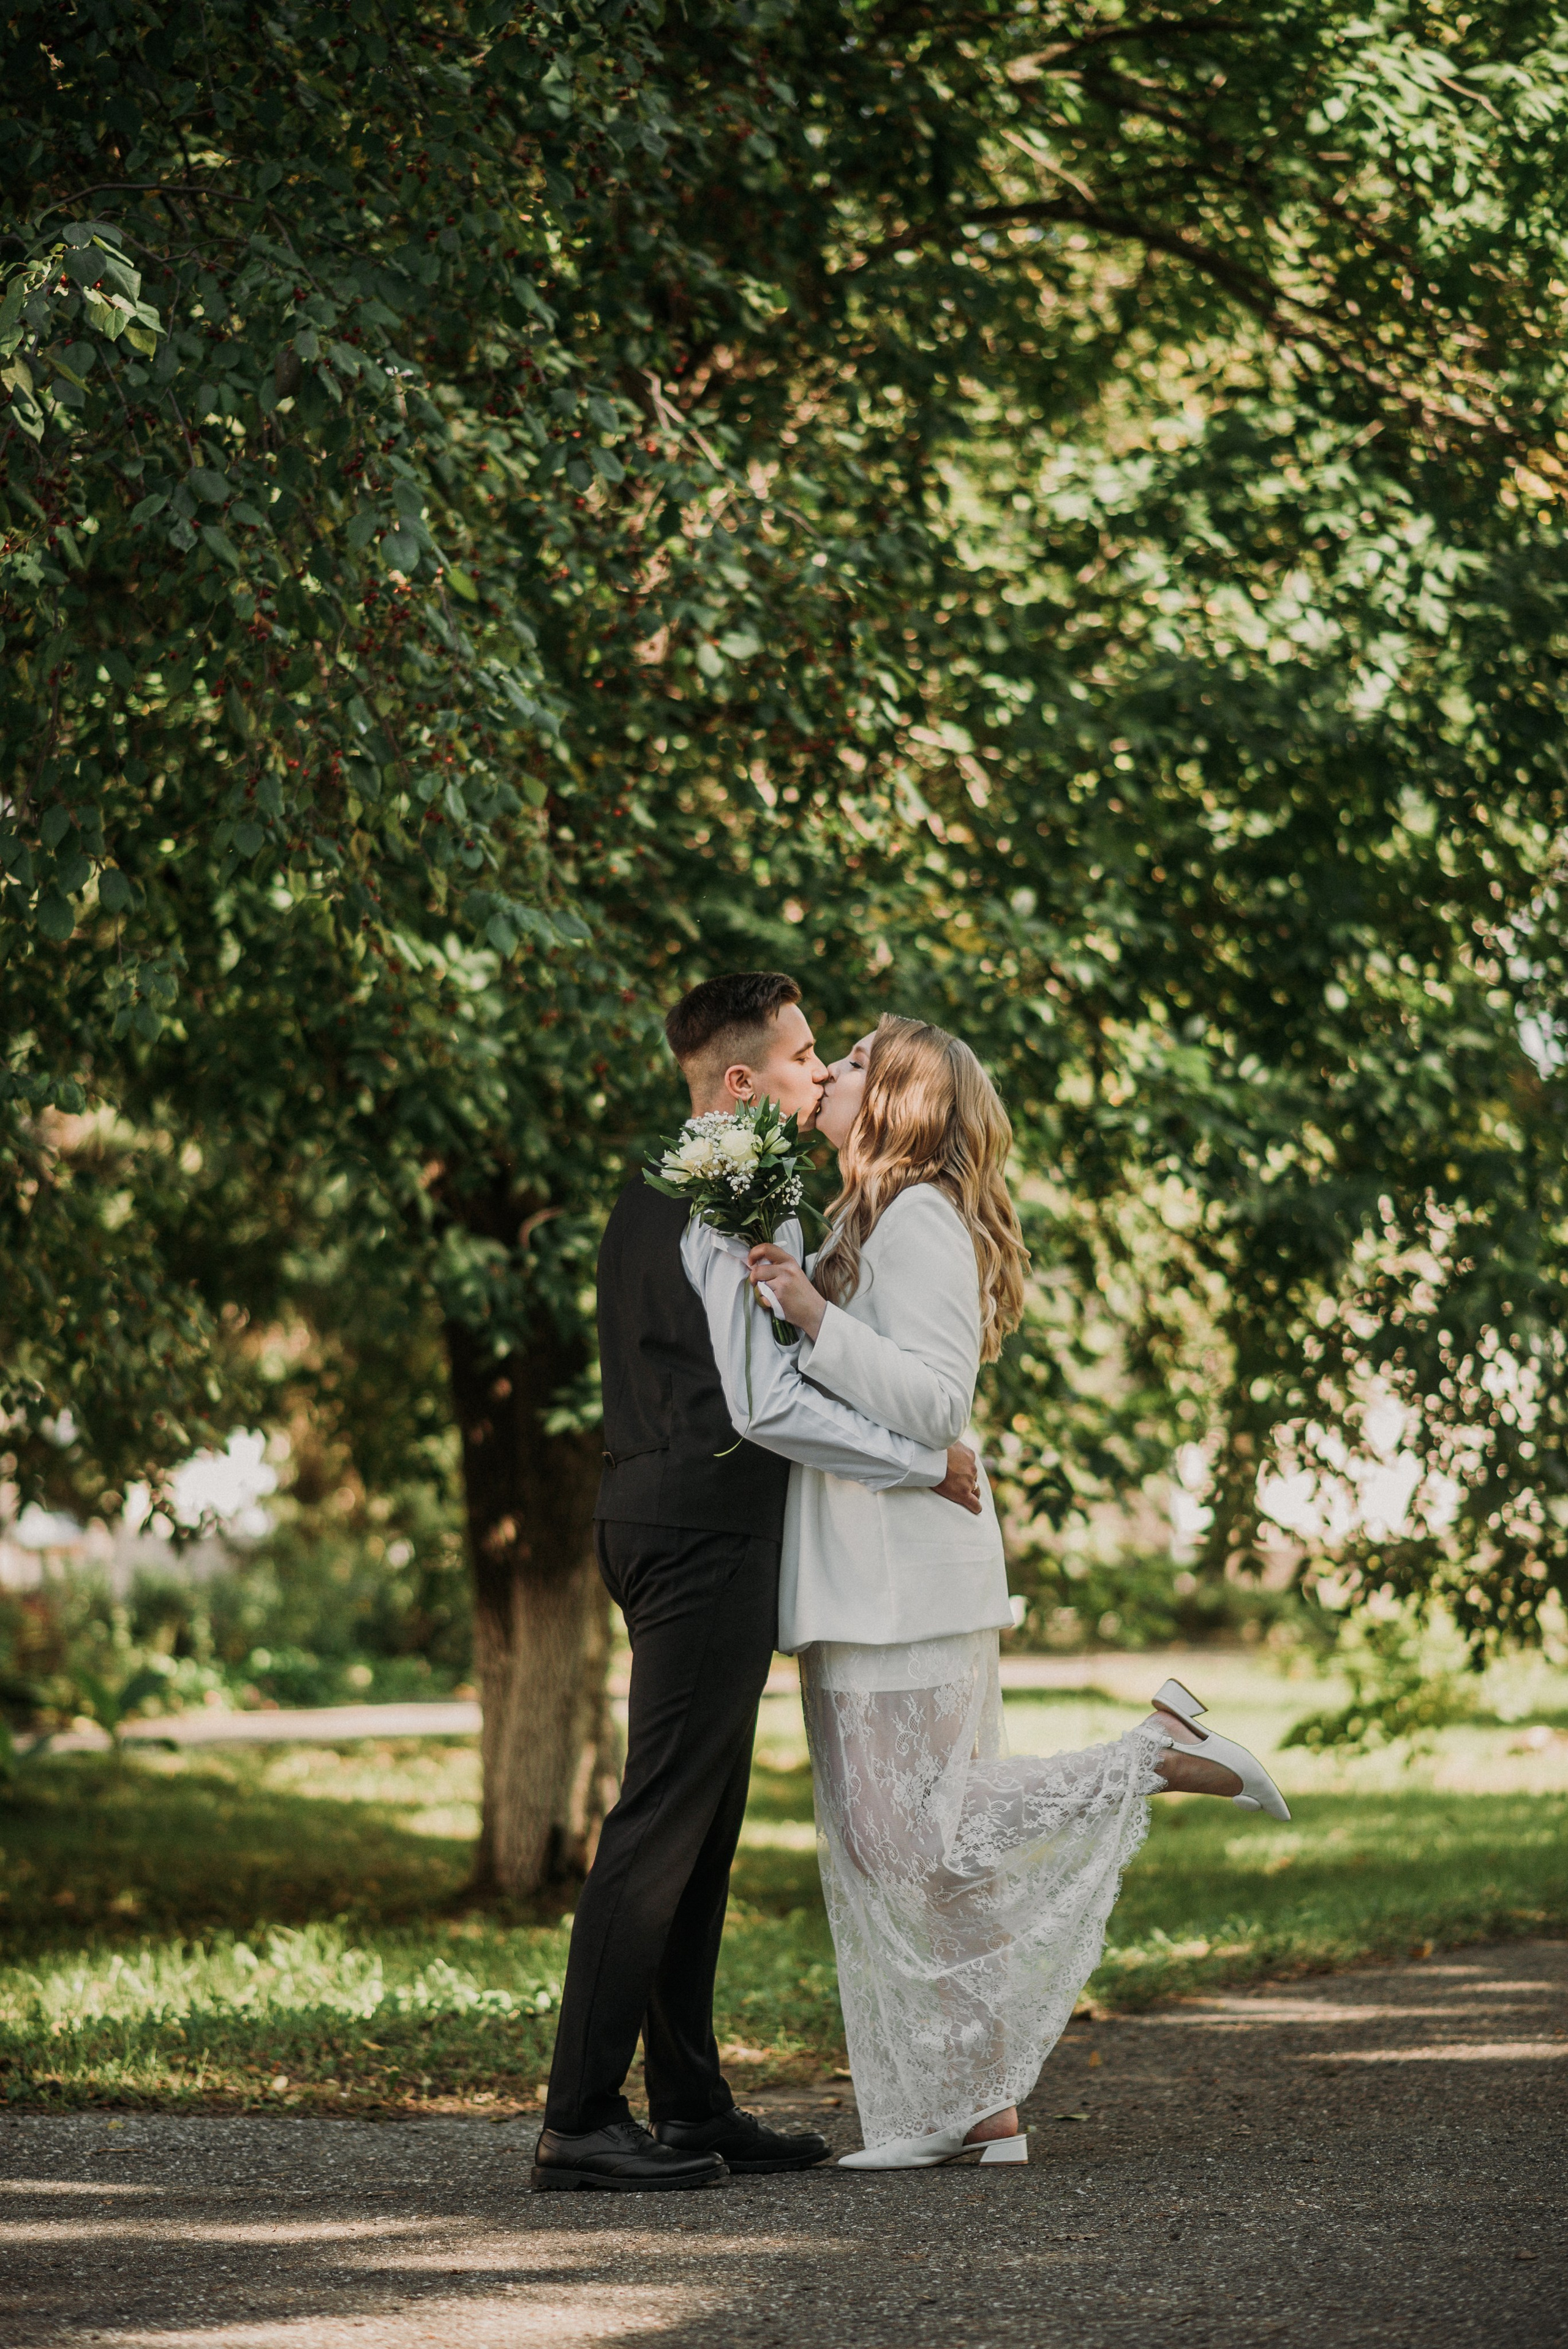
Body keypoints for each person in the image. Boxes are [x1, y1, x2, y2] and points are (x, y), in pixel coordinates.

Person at [696, 1013, 1290, 2171]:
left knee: (906, 1835)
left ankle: (1151, 1756)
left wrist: (811, 1316)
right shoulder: (859, 1218)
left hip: (906, 1574)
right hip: (870, 1574)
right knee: (930, 1851)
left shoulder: (919, 1219)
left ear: (901, 1100)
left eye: (855, 1060)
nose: (827, 1072)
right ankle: (982, 2109)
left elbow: (933, 1407)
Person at [532, 975, 984, 2194]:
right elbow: (764, 1401)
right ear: (741, 1084)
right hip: (703, 1536)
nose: (819, 1072)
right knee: (662, 1820)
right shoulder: (743, 1193)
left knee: (701, 1826)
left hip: (647, 1515)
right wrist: (917, 1462)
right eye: (798, 1056)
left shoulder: (648, 1191)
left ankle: (688, 2105)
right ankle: (579, 2114)